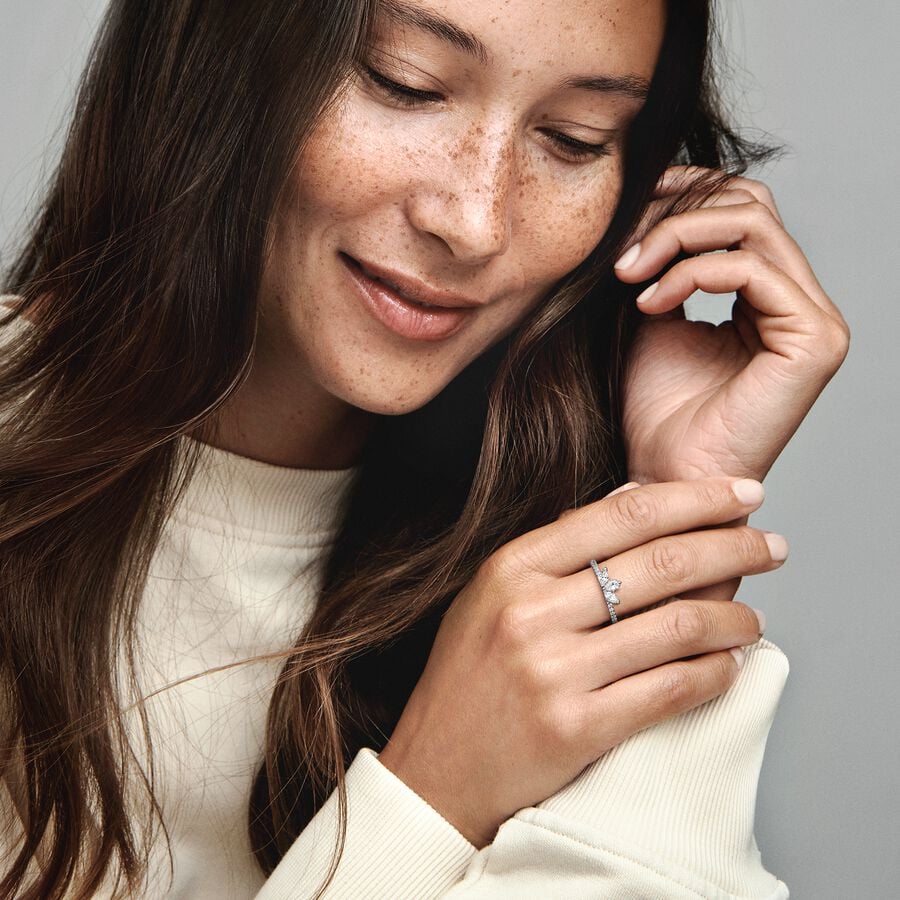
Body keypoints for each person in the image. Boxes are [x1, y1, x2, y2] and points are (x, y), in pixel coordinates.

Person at [0, 0, 849, 898]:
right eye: (405, 84)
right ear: (219, 58)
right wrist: (431, 799)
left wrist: (668, 511)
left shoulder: (559, 575)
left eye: (572, 138)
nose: (475, 220)